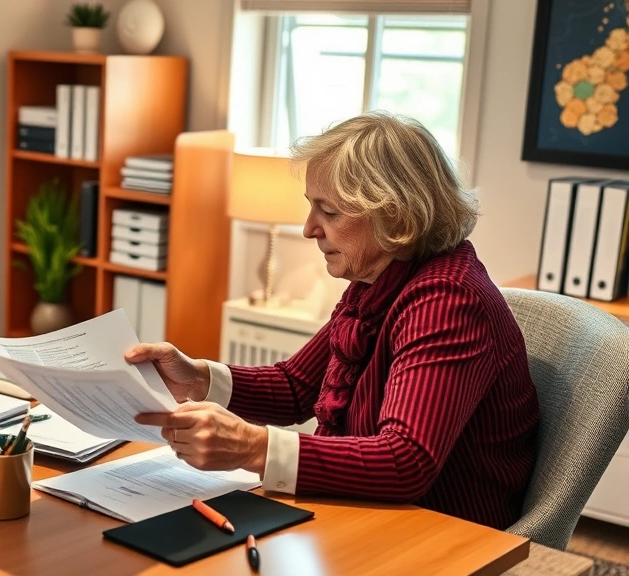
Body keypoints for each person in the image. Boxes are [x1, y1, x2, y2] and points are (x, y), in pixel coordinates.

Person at [130, 111, 540, 530]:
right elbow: (296, 386)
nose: (309, 229)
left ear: (395, 216)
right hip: (369, 511)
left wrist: (252, 447)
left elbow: (404, 462)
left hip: (438, 531)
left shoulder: (447, 301)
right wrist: (197, 377)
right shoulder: (378, 278)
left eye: (329, 212)